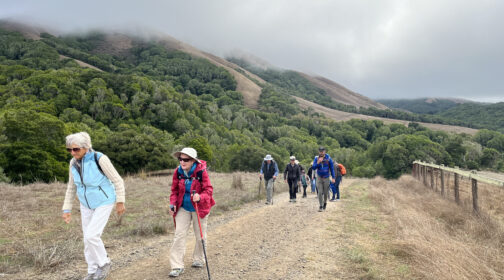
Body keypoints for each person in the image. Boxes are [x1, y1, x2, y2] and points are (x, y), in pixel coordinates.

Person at [61, 132, 125, 280]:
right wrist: (67, 209)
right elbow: (71, 187)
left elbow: (118, 180)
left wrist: (120, 201)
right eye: (69, 150)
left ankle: (104, 263)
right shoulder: (73, 163)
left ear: (86, 147)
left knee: (92, 236)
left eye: (76, 149)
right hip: (85, 204)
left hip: (104, 201)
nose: (72, 152)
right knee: (86, 239)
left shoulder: (100, 159)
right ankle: (92, 270)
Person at [168, 147, 215, 277]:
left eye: (186, 160)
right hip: (183, 207)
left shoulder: (201, 172)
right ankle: (177, 266)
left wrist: (200, 197)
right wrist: (172, 204)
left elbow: (209, 190)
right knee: (179, 235)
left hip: (199, 207)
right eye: (180, 159)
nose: (182, 162)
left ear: (193, 161)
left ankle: (198, 259)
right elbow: (174, 191)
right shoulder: (178, 172)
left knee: (200, 237)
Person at [312, 147, 336, 212]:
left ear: (325, 151)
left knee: (325, 193)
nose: (321, 152)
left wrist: (333, 177)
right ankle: (321, 206)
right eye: (320, 151)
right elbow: (313, 168)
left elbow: (332, 169)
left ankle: (325, 202)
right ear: (318, 152)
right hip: (319, 177)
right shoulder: (316, 158)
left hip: (326, 177)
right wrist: (318, 162)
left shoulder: (328, 158)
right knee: (319, 192)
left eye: (322, 151)